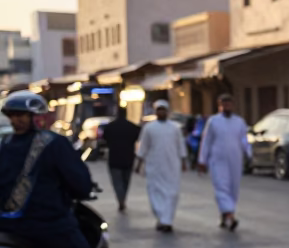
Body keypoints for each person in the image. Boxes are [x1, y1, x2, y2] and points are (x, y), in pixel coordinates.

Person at [0, 90, 93, 248]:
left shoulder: (3, 144)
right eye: (16, 115)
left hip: (5, 225)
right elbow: (80, 183)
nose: (18, 119)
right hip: (44, 224)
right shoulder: (53, 143)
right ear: (39, 117)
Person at [197, 94, 250, 231]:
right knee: (221, 187)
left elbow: (244, 139)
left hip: (235, 160)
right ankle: (231, 216)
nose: (226, 106)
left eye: (228, 103)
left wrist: (249, 153)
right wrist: (202, 160)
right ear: (219, 105)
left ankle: (225, 214)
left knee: (233, 189)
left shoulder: (239, 122)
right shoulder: (213, 121)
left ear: (233, 105)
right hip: (217, 160)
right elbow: (206, 141)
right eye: (223, 104)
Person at [135, 100, 187, 233]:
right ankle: (163, 218)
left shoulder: (175, 128)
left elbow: (180, 146)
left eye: (164, 110)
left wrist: (183, 162)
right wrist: (139, 163)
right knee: (155, 192)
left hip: (172, 166)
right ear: (156, 112)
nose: (161, 112)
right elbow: (143, 147)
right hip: (155, 166)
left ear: (167, 112)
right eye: (159, 110)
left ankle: (166, 220)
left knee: (172, 193)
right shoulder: (149, 128)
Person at [101, 106, 140, 212]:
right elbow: (137, 137)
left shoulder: (110, 127)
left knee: (117, 181)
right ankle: (123, 199)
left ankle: (120, 199)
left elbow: (104, 139)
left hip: (114, 158)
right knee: (126, 181)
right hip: (128, 157)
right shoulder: (133, 127)